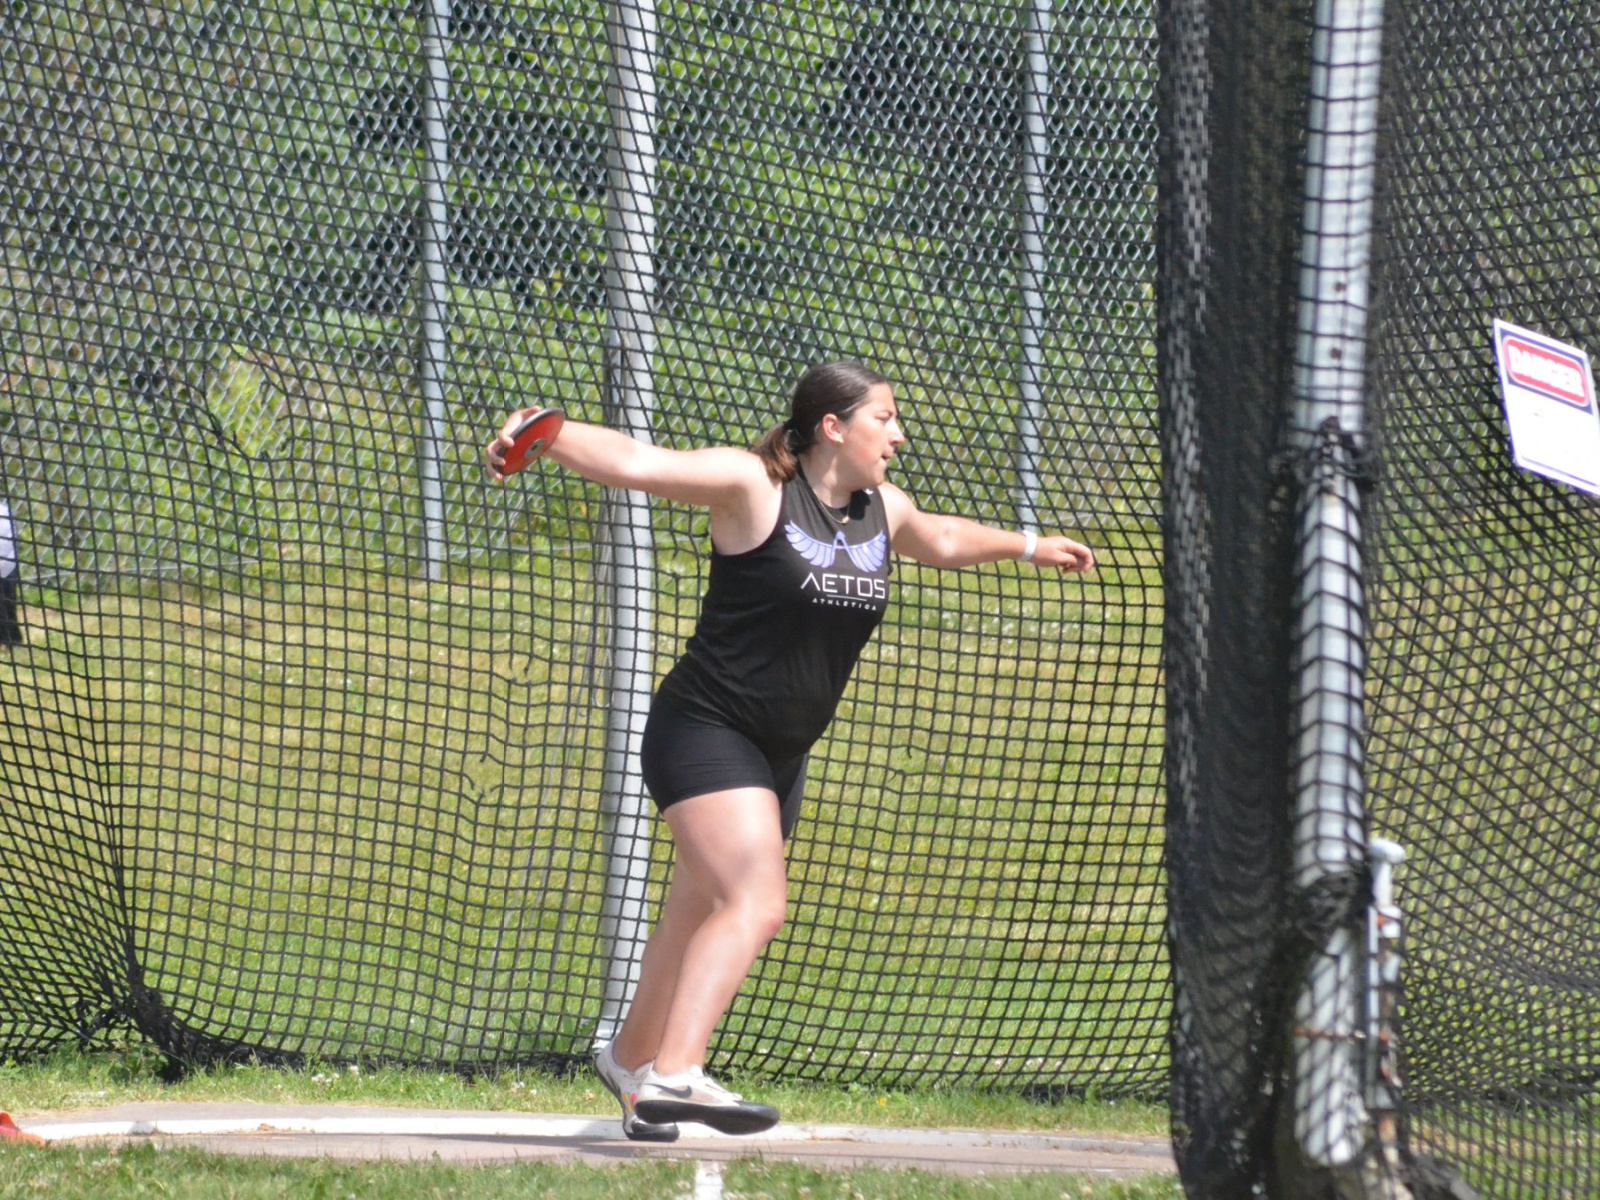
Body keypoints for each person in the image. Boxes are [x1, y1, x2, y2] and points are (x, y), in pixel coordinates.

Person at [484, 362, 1094, 1141]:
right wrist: (549, 433)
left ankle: (632, 1063)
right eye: (885, 418)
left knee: (695, 912)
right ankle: (677, 1075)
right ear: (833, 428)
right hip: (705, 728)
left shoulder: (883, 509)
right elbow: (643, 463)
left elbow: (939, 537)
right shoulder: (755, 487)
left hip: (781, 754)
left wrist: (1029, 544)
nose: (899, 434)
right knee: (755, 903)